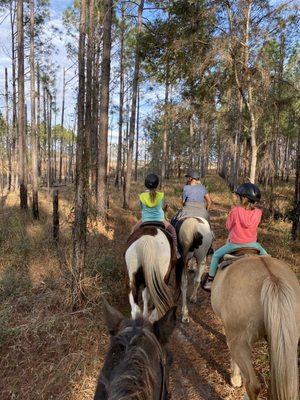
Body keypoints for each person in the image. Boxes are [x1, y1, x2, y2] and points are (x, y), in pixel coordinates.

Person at [203, 182, 268, 292]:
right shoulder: (258, 212)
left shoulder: (235, 210)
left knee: (216, 255)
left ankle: (210, 280)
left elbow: (228, 226)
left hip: (235, 244)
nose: (237, 198)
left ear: (244, 198)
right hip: (253, 244)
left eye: (239, 196)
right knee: (267, 257)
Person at [133, 173, 180, 258]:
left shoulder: (142, 196)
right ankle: (175, 250)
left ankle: (130, 250)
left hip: (145, 220)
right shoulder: (161, 195)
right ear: (157, 184)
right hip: (160, 220)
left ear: (146, 184)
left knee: (133, 230)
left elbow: (142, 208)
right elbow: (161, 207)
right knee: (173, 231)